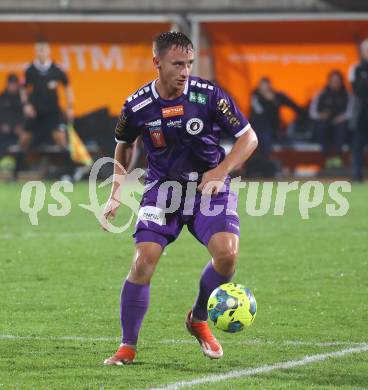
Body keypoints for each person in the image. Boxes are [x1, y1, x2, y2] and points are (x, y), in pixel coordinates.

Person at [101, 31, 258, 365]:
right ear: (157, 62)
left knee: (227, 256)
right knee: (143, 261)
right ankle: (127, 347)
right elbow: (125, 145)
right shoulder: (137, 105)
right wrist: (117, 190)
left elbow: (248, 138)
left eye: (189, 63)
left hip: (208, 189)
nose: (185, 71)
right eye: (177, 64)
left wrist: (222, 171)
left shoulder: (209, 96)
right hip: (163, 191)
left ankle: (198, 318)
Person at [19, 40, 75, 178]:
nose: (41, 52)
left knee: (61, 140)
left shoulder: (57, 69)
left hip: (53, 111)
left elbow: (67, 87)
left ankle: (70, 173)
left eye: (43, 50)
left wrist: (70, 107)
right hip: (35, 112)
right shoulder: (29, 69)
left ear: (49, 51)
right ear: (35, 52)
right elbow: (23, 89)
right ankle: (17, 172)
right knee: (24, 140)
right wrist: (26, 105)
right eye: (38, 50)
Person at [249, 77, 301, 158]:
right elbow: (260, 111)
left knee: (288, 140)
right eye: (262, 87)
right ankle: (264, 161)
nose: (265, 89)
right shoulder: (255, 96)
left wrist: (300, 113)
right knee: (264, 139)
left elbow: (293, 105)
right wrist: (269, 101)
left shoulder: (277, 96)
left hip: (274, 127)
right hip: (259, 128)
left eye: (267, 87)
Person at [309, 70, 353, 165]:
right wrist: (321, 116)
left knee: (341, 127)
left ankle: (337, 157)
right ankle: (326, 157)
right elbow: (312, 112)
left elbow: (351, 111)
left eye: (337, 80)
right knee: (321, 127)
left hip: (340, 124)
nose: (335, 83)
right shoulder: (321, 94)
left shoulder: (347, 94)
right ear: (329, 81)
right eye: (333, 80)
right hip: (325, 124)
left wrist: (342, 117)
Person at [349, 38, 368, 182]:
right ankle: (357, 175)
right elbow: (357, 90)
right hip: (361, 114)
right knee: (358, 146)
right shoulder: (355, 69)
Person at [0, 74, 25, 158]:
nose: (13, 86)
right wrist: (2, 125)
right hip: (4, 131)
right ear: (7, 84)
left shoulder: (23, 98)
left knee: (27, 137)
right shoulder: (2, 97)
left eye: (15, 84)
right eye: (11, 84)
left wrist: (22, 126)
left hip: (19, 131)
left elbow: (26, 115)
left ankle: (21, 164)